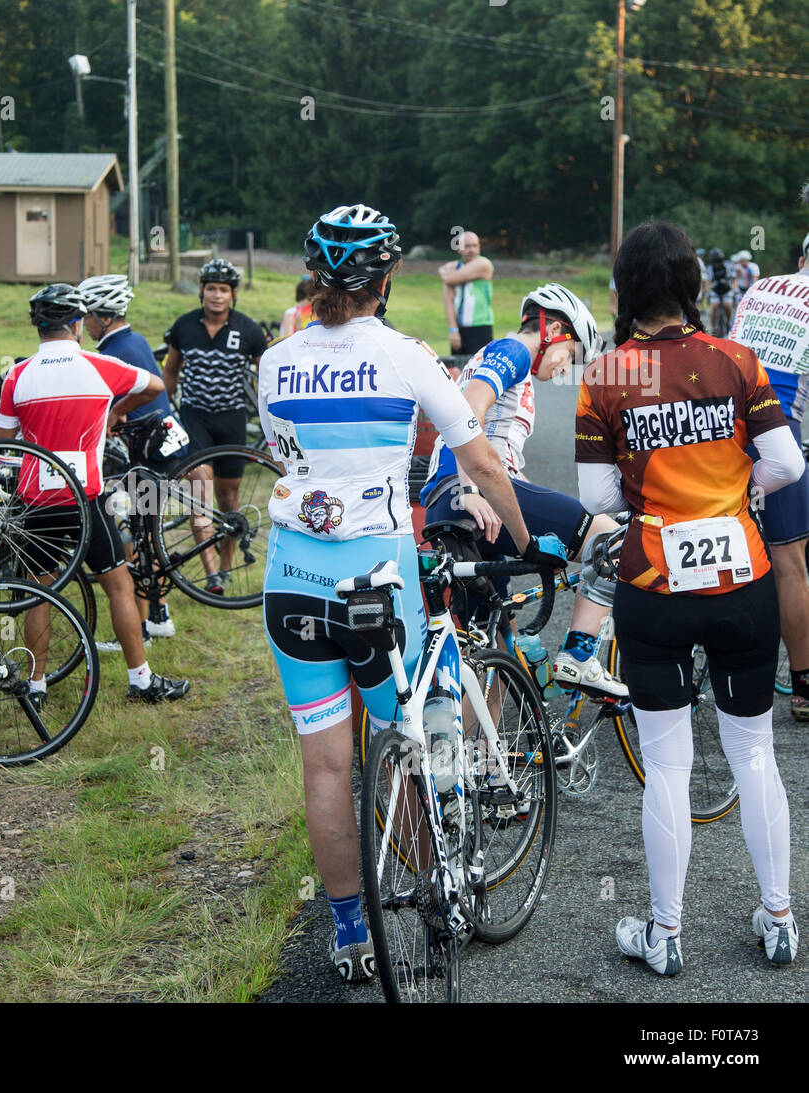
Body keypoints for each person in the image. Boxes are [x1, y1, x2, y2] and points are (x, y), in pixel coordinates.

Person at [258, 204, 564, 982]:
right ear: (387, 280)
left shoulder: (276, 359)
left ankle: (352, 930)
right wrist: (529, 545)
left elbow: (286, 460)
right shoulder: (408, 355)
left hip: (292, 578)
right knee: (411, 751)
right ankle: (438, 895)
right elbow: (485, 467)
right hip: (378, 576)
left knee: (327, 762)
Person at [577, 219, 804, 975]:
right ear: (693, 286)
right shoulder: (737, 359)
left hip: (655, 585)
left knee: (669, 764)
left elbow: (597, 495)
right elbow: (787, 463)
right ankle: (779, 919)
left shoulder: (607, 375)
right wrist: (736, 490)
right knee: (755, 754)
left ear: (626, 290)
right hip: (743, 580)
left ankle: (665, 933)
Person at [420, 284, 627, 697]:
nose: (565, 367)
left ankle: (487, 757)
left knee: (493, 650)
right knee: (612, 542)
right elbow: (467, 414)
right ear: (551, 329)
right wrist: (471, 490)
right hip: (472, 494)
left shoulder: (516, 373)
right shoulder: (514, 350)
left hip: (454, 504)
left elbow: (507, 461)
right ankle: (580, 656)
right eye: (569, 354)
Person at [0, 283, 190, 703]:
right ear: (78, 325)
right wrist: (115, 411)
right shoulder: (100, 366)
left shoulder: (17, 374)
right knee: (118, 586)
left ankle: (36, 686)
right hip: (84, 497)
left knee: (40, 592)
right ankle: (141, 680)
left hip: (35, 499)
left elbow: (2, 438)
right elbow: (156, 385)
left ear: (39, 328)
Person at [77, 272, 198, 640]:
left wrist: (114, 412)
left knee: (132, 536)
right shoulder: (135, 340)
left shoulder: (114, 351)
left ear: (104, 316)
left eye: (88, 316)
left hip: (151, 451)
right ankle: (159, 615)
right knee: (148, 534)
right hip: (166, 444)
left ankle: (143, 626)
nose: (84, 323)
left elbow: (116, 403)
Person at [728, 228, 809, 720]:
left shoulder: (761, 286)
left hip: (723, 420)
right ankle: (803, 685)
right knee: (790, 564)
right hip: (777, 425)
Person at [163, 258, 268, 592]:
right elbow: (170, 370)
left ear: (232, 293)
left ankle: (225, 566)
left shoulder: (249, 330)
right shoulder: (183, 326)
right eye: (211, 288)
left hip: (232, 419)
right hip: (195, 416)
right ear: (201, 291)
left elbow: (265, 373)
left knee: (229, 497)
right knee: (200, 490)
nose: (217, 295)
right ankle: (211, 575)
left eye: (223, 289)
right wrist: (162, 407)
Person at [439, 230, 494, 356]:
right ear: (459, 248)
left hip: (480, 327)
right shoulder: (454, 267)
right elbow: (449, 301)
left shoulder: (484, 264)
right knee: (458, 372)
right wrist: (453, 329)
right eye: (467, 246)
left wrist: (445, 272)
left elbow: (448, 278)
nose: (472, 250)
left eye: (475, 246)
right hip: (459, 328)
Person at [707, 247, 736, 334]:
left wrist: (734, 290)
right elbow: (708, 282)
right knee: (714, 306)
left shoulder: (728, 265)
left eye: (718, 261)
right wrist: (708, 293)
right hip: (715, 290)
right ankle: (713, 327)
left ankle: (728, 322)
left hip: (727, 290)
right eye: (714, 261)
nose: (716, 263)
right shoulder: (709, 268)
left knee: (727, 306)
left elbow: (734, 278)